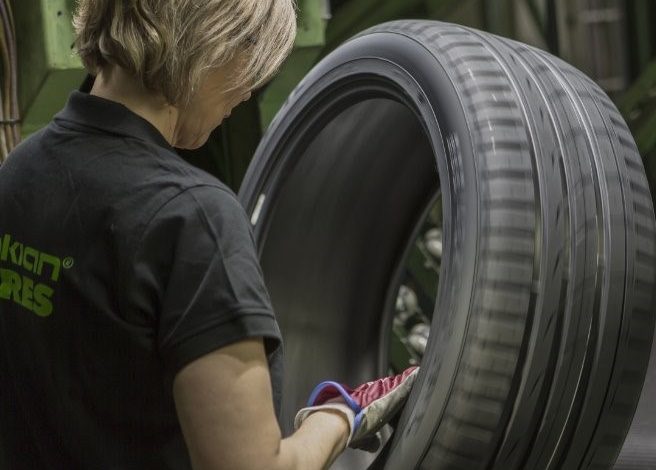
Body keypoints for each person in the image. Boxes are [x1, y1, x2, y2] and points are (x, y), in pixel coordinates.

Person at [0, 1, 418, 469]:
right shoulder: (192, 218)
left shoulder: (21, 171)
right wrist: (342, 417)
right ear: (214, 44)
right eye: (252, 59)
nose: (247, 92)